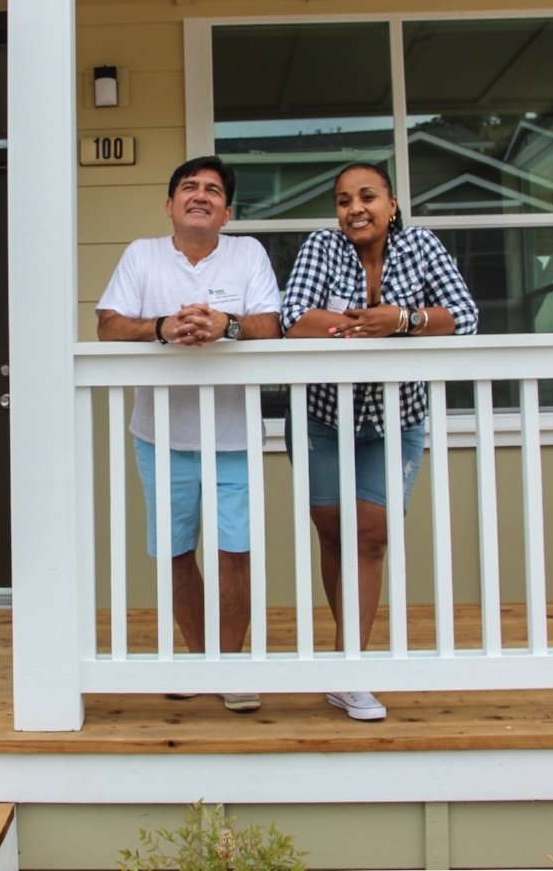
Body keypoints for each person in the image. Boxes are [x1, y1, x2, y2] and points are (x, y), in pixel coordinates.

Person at [280, 162, 478, 720]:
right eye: (344, 200)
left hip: (396, 417)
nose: (355, 209)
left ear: (392, 204)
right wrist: (366, 325)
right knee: (333, 533)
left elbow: (463, 314)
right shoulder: (321, 246)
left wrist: (405, 319)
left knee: (370, 536)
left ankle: (351, 668)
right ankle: (349, 659)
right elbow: (295, 317)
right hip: (322, 414)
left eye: (367, 196)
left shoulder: (422, 246)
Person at [96, 155, 281, 712]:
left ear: (227, 210)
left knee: (235, 552)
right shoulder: (141, 254)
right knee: (176, 551)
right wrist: (163, 327)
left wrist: (224, 326)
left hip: (234, 434)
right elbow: (107, 325)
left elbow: (270, 326)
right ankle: (200, 660)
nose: (200, 195)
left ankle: (231, 665)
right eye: (188, 187)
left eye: (213, 190)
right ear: (170, 204)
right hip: (160, 433)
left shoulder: (247, 253)